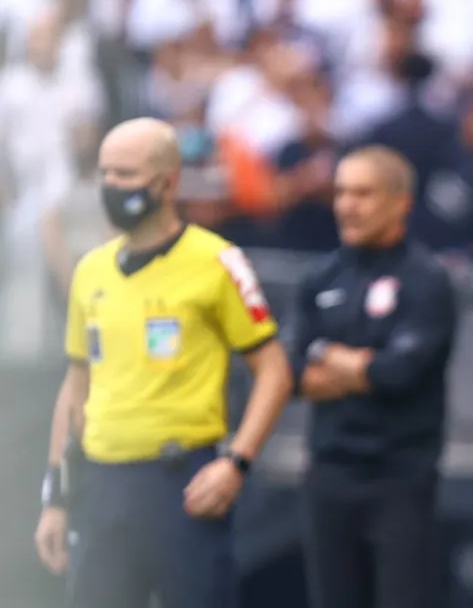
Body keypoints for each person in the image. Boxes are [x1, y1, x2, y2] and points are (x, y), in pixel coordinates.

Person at [33, 118, 294, 608]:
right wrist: (56, 496)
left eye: (126, 175)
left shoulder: (217, 262)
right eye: (105, 173)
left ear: (168, 182)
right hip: (101, 482)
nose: (111, 186)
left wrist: (236, 462)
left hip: (181, 483)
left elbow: (274, 369)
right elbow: (76, 387)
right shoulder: (91, 269)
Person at [290, 145, 458, 608]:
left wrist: (331, 357)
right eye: (341, 192)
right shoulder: (320, 277)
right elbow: (294, 375)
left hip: (400, 477)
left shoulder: (427, 280)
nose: (347, 204)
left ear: (401, 201)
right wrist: (361, 366)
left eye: (362, 193)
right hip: (328, 473)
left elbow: (397, 372)